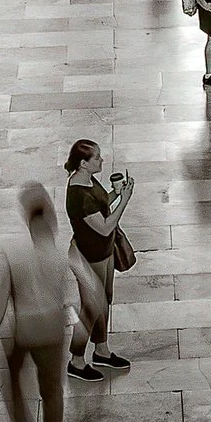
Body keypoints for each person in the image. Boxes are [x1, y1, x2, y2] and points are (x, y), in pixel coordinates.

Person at [0, 183, 69, 422]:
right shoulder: (61, 252)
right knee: (53, 391)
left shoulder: (12, 251)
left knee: (14, 385)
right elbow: (78, 293)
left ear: (25, 215)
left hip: (24, 329)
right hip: (53, 330)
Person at [63, 140, 136, 380]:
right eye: (97, 158)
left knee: (105, 301)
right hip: (89, 256)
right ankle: (76, 361)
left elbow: (101, 200)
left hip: (103, 252)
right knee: (91, 308)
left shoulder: (87, 180)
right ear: (84, 164)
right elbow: (104, 227)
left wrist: (116, 192)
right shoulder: (78, 196)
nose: (101, 160)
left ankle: (101, 351)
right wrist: (124, 200)